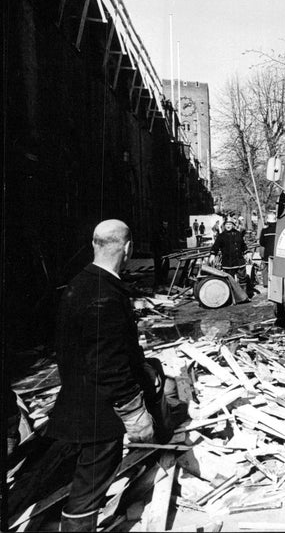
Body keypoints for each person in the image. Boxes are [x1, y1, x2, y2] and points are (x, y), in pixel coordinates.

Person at [46, 220, 172, 531]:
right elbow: (109, 364)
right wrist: (134, 414)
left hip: (79, 402)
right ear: (127, 249)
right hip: (98, 415)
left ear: (95, 244)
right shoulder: (106, 295)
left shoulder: (80, 284)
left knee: (86, 485)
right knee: (87, 493)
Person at [210, 217, 251, 298]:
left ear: (233, 225)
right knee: (229, 279)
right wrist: (212, 254)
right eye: (226, 224)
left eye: (230, 224)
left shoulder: (238, 234)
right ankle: (231, 297)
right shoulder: (221, 236)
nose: (228, 226)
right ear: (224, 226)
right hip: (228, 261)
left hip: (239, 260)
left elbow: (243, 245)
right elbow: (215, 246)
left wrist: (247, 253)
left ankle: (244, 296)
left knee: (243, 278)